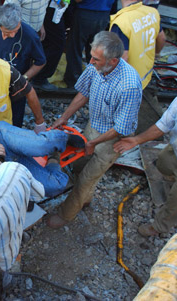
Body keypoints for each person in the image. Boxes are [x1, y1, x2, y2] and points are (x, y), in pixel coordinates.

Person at [47, 31, 142, 229]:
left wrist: (93, 143)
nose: (90, 61)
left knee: (86, 179)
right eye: (91, 56)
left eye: (96, 59)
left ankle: (66, 214)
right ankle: (84, 198)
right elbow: (84, 93)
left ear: (113, 61)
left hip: (112, 139)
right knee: (78, 165)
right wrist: (64, 118)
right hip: (94, 126)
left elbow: (120, 127)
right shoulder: (96, 67)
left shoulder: (129, 86)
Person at [113, 74, 177, 236]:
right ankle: (174, 178)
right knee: (162, 163)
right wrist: (136, 140)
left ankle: (160, 226)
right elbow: (163, 124)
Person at [0, 2, 46, 127]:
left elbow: (40, 62)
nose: (10, 36)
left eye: (14, 31)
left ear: (19, 23)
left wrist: (23, 79)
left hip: (14, 85)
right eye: (6, 33)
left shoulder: (30, 36)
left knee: (14, 120)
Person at [110, 0, 166, 134]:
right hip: (144, 75)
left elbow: (122, 58)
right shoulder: (152, 12)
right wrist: (156, 54)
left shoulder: (122, 22)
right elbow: (161, 38)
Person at [64, 0, 117, 88]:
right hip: (104, 14)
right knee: (95, 50)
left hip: (85, 12)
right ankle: (94, 79)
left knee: (75, 48)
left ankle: (74, 80)